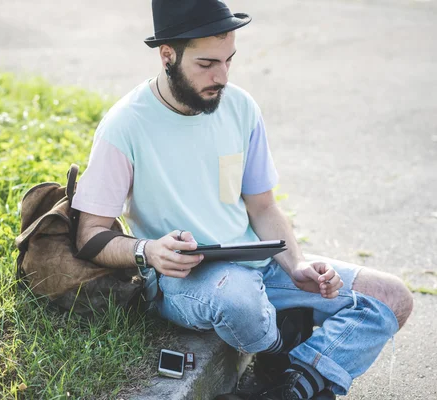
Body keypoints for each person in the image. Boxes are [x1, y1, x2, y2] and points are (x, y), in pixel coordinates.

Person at [71, 0, 414, 399]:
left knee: (393, 297)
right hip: (186, 281)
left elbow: (263, 206)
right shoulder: (125, 125)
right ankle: (282, 352)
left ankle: (295, 385)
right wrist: (147, 250)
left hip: (259, 263)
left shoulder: (240, 107)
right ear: (167, 56)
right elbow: (89, 235)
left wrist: (297, 264)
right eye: (206, 64)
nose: (221, 76)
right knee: (239, 303)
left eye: (228, 61)